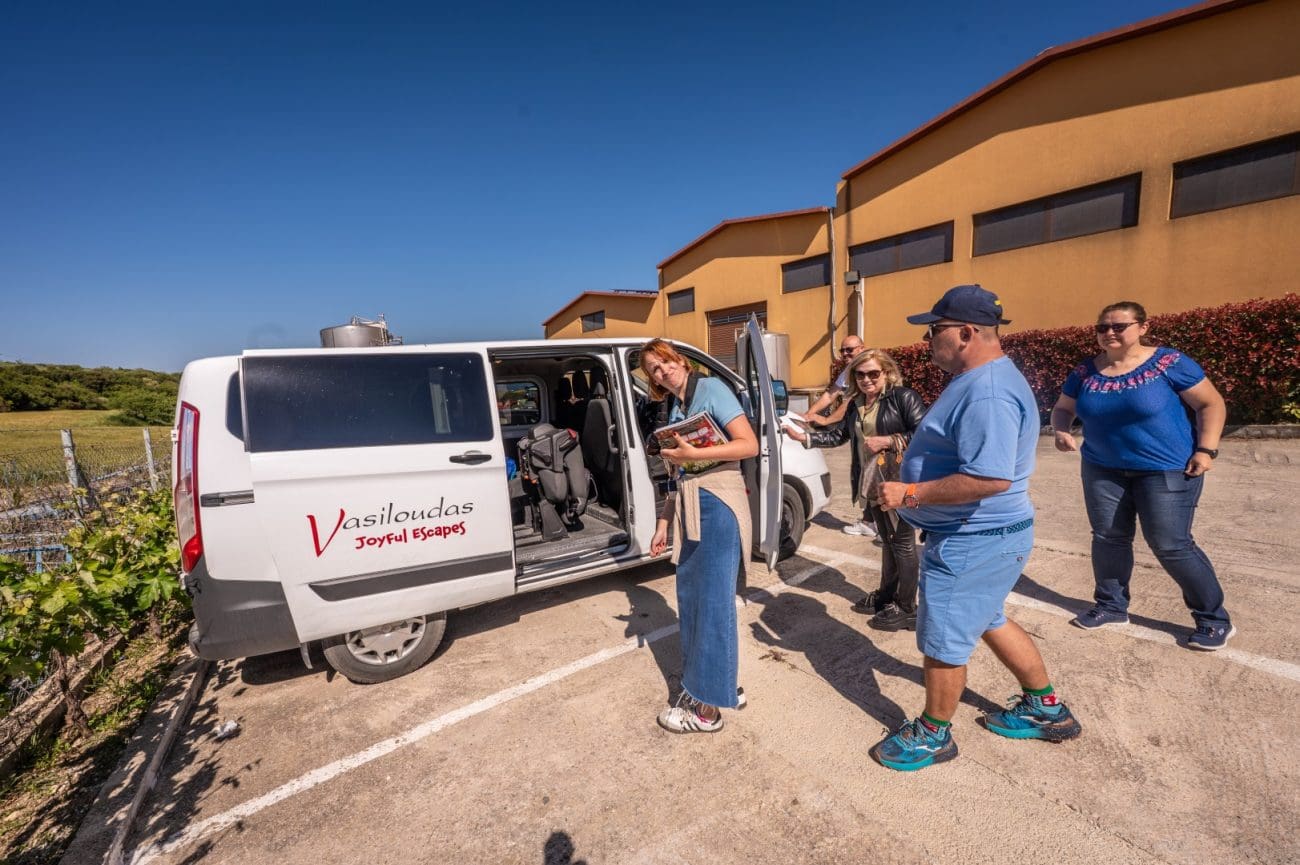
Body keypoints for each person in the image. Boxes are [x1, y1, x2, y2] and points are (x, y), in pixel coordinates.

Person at [871, 284, 1081, 772]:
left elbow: (989, 477)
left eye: (934, 330)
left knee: (943, 641)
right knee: (988, 618)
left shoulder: (987, 391)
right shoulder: (982, 378)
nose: (927, 340)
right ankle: (1046, 708)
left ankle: (933, 734)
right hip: (988, 537)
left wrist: (910, 493)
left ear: (965, 332)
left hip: (973, 539)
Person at [1051, 301, 1232, 650]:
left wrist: (1206, 450)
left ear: (1143, 327)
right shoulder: (1084, 372)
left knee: (1170, 544)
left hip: (1166, 469)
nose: (1109, 333)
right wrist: (1061, 430)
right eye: (1102, 327)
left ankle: (1213, 619)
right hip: (1102, 468)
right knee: (1108, 538)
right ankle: (1111, 606)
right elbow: (1063, 408)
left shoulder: (1169, 363)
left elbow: (1210, 404)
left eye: (1119, 326)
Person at [641, 339, 759, 733]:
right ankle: (720, 684)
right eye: (654, 370)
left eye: (665, 362)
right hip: (691, 504)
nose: (663, 371)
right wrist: (663, 523)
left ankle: (707, 711)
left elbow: (749, 445)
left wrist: (692, 455)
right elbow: (679, 477)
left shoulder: (710, 388)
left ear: (681, 361)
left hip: (717, 502)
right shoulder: (676, 408)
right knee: (694, 601)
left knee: (711, 604)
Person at [784, 349, 927, 629]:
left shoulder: (903, 397)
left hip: (900, 481)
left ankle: (908, 607)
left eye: (873, 373)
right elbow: (840, 435)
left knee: (902, 543)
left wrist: (889, 440)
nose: (866, 379)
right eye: (860, 375)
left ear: (886, 372)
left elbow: (925, 434)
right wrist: (804, 438)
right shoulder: (856, 403)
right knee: (888, 541)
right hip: (872, 480)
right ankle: (886, 596)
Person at [805, 336, 879, 541]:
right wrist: (809, 414)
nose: (845, 354)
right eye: (842, 350)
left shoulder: (867, 366)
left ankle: (882, 525)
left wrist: (826, 420)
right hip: (861, 430)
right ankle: (871, 521)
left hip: (876, 429)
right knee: (865, 474)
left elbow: (850, 403)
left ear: (862, 348)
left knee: (878, 475)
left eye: (849, 350)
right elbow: (831, 394)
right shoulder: (848, 371)